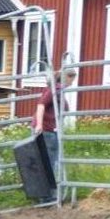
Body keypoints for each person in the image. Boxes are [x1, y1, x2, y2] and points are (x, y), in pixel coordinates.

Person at [32, 68, 76, 203]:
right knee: (49, 163)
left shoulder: (57, 89)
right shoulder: (55, 89)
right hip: (47, 131)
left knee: (48, 162)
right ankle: (46, 197)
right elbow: (41, 105)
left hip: (49, 130)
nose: (72, 82)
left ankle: (46, 195)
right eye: (72, 78)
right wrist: (39, 125)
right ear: (67, 77)